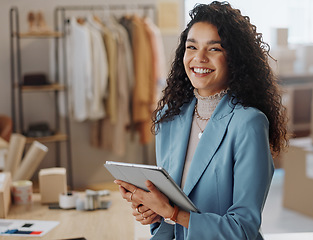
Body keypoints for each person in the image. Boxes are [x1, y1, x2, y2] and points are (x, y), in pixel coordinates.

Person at [114, 1, 288, 239]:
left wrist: (173, 213)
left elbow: (243, 230)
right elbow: (167, 220)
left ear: (235, 58)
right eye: (192, 47)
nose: (199, 58)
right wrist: (153, 211)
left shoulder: (249, 123)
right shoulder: (169, 117)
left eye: (214, 49)